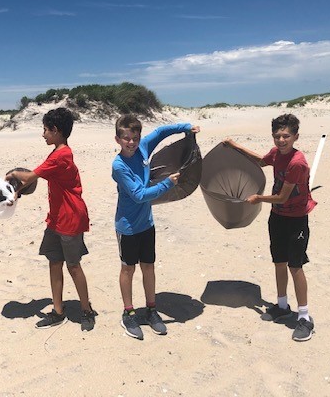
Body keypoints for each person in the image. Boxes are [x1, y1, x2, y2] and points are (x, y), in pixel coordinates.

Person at [223, 113, 317, 342]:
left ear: (295, 136)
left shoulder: (297, 163)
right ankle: (282, 305)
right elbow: (261, 160)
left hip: (296, 219)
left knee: (295, 266)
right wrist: (234, 145)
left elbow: (283, 197)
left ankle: (304, 317)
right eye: (277, 136)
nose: (281, 140)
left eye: (286, 136)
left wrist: (258, 199)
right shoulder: (276, 153)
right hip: (277, 218)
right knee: (279, 262)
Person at [6, 108, 96, 332]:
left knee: (74, 266)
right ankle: (58, 311)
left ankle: (86, 310)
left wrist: (10, 177)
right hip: (55, 219)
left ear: (56, 131)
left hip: (71, 218)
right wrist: (15, 193)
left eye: (45, 130)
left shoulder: (61, 155)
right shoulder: (56, 151)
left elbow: (28, 176)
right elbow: (35, 178)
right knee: (54, 263)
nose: (43, 134)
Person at [112, 114, 200, 340]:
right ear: (117, 139)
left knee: (148, 267)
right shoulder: (119, 166)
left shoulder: (142, 147)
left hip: (147, 224)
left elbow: (160, 132)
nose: (131, 143)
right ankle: (129, 313)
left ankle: (151, 309)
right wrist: (167, 183)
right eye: (126, 138)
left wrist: (185, 127)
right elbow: (140, 195)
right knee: (128, 269)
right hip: (128, 226)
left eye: (134, 137)